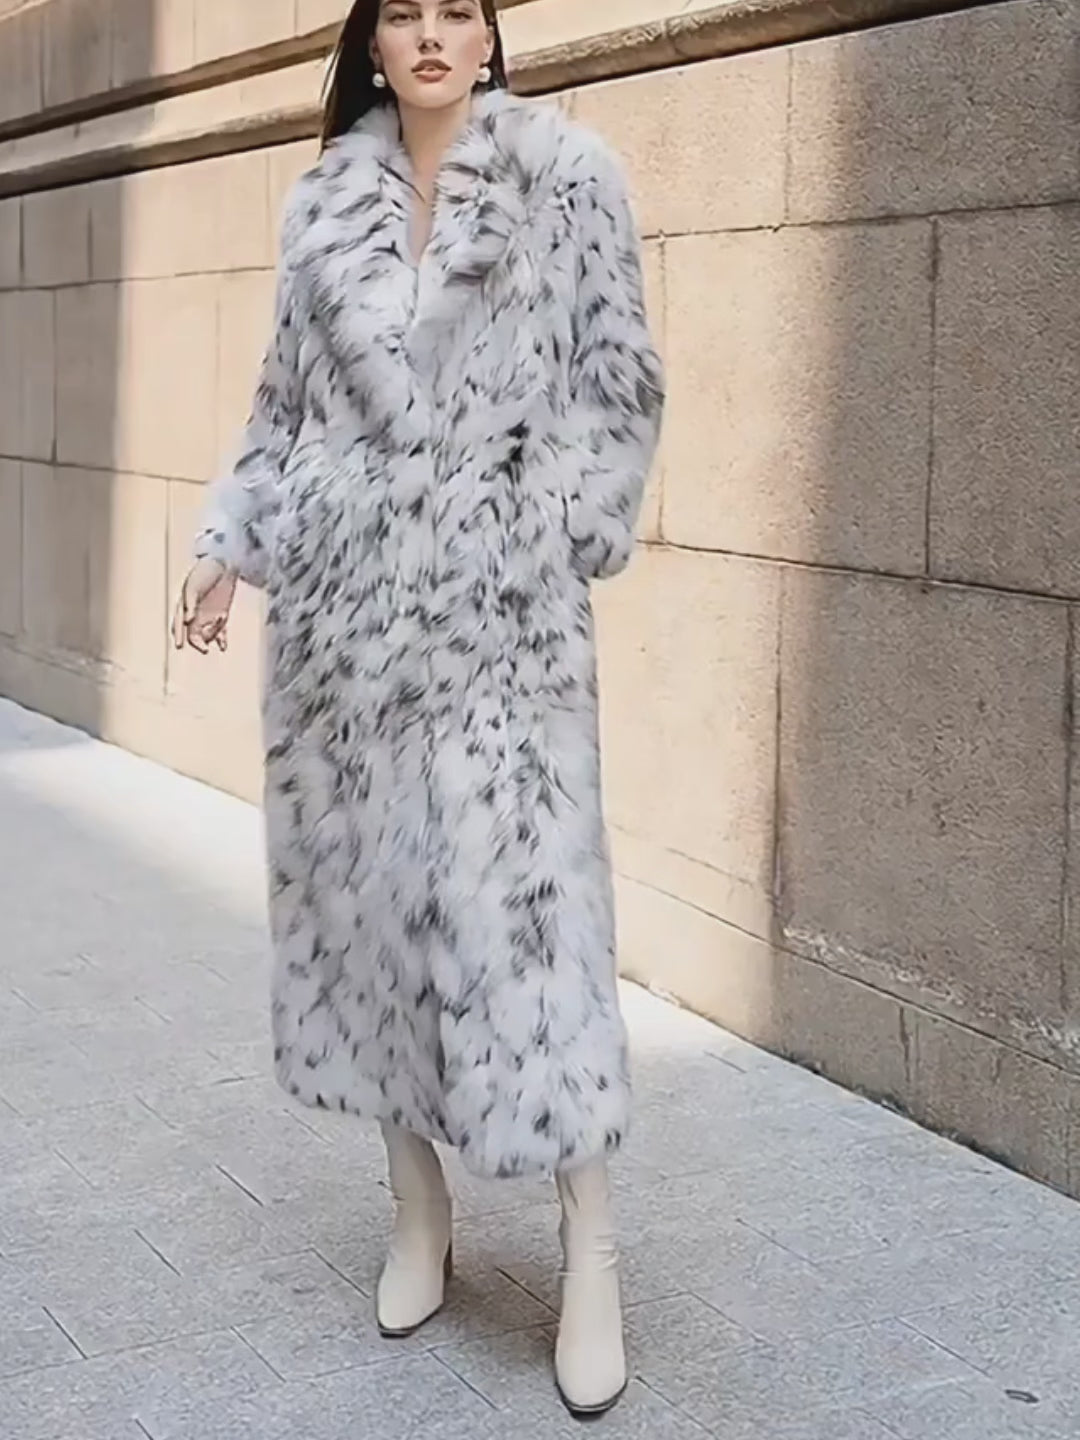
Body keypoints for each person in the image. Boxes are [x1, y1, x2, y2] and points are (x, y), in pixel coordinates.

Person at [172, 0, 663, 1417]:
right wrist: (226, 547)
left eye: (462, 10)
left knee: (534, 925)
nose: (436, 36)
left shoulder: (570, 178)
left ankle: (593, 1251)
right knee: (371, 917)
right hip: (342, 629)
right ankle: (417, 1208)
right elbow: (279, 410)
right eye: (408, 14)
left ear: (495, 37)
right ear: (374, 43)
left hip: (501, 632)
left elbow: (616, 380)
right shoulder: (322, 204)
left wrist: (545, 530)